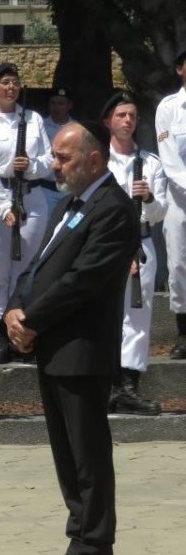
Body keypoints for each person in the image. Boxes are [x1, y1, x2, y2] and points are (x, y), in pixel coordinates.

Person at [6, 121, 139, 555]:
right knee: (67, 456)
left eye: (63, 158)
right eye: (55, 157)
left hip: (82, 348)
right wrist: (15, 309)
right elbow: (41, 265)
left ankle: (98, 554)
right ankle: (78, 545)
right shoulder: (72, 204)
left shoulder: (114, 208)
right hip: (53, 346)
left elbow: (83, 280)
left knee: (89, 457)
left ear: (94, 160)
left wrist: (33, 318)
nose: (54, 165)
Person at [0, 62, 53, 364]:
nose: (11, 87)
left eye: (15, 82)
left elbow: (48, 160)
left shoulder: (32, 119)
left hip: (31, 198)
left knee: (25, 270)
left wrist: (29, 165)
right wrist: (4, 206)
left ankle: (21, 335)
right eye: (4, 82)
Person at [102, 92, 167, 414]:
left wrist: (150, 198)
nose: (128, 120)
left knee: (137, 318)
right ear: (108, 122)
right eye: (121, 115)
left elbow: (159, 213)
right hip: (106, 247)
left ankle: (128, 387)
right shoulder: (99, 161)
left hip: (141, 244)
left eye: (132, 115)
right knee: (105, 315)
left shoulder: (151, 163)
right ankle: (106, 384)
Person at [154, 46, 186, 359]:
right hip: (180, 200)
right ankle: (183, 332)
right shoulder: (169, 107)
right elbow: (170, 160)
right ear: (180, 69)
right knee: (178, 265)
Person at [42, 86, 76, 213]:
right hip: (46, 190)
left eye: (61, 103)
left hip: (69, 190)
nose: (56, 107)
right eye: (53, 103)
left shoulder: (77, 129)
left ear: (69, 105)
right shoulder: (40, 126)